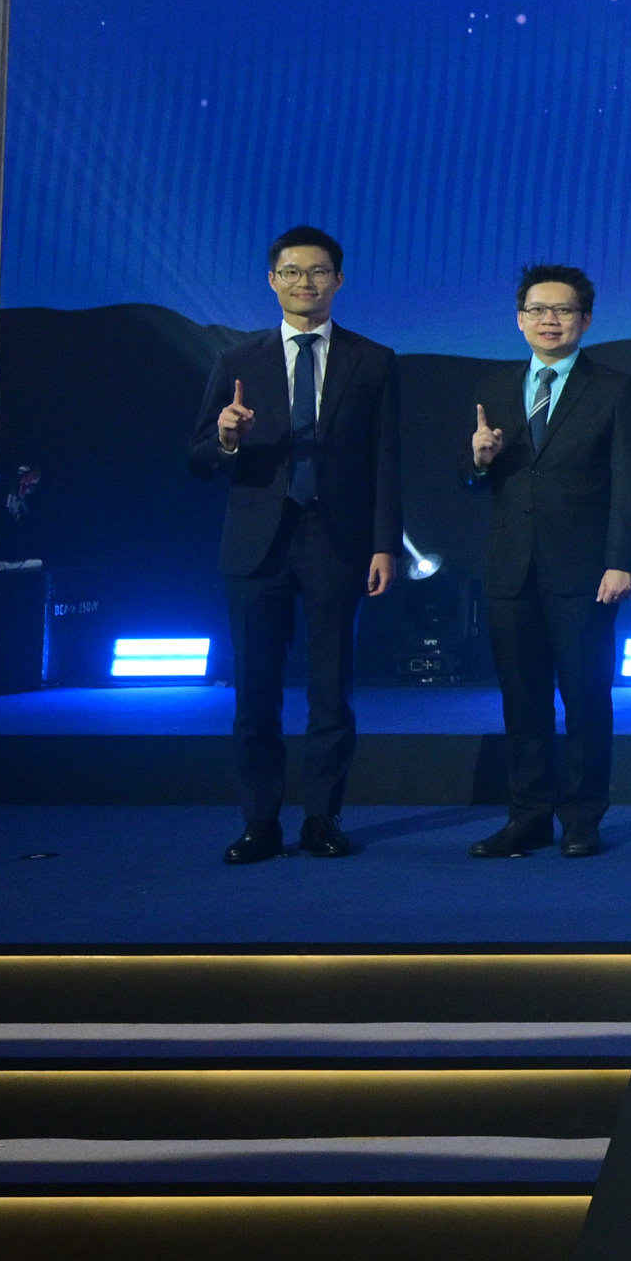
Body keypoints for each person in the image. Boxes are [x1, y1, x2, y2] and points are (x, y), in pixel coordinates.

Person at [185, 226, 400, 865]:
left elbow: (386, 461)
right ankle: (259, 822)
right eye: (292, 272)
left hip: (337, 541)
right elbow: (198, 459)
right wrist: (226, 438)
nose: (305, 282)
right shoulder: (238, 360)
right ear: (272, 281)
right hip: (257, 543)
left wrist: (385, 544)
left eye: (318, 271)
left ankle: (323, 817)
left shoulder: (373, 360)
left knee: (332, 692)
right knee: (255, 691)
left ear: (339, 280)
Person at [464, 264, 631, 860]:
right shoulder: (494, 386)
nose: (550, 320)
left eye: (563, 310)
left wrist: (620, 561)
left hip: (585, 571)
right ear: (519, 320)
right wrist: (479, 462)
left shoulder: (613, 388)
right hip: (511, 569)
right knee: (522, 701)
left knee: (586, 698)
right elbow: (470, 479)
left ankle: (582, 817)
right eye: (538, 310)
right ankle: (528, 816)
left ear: (585, 320)